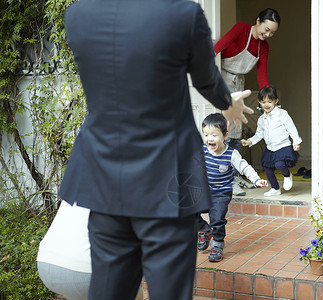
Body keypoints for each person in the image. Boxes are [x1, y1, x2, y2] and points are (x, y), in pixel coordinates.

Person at [60, 1, 253, 299]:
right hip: (167, 181)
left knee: (108, 291)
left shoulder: (77, 15)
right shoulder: (183, 14)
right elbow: (206, 79)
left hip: (104, 179)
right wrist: (229, 102)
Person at [214, 8, 281, 196]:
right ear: (258, 20)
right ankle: (227, 179)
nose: (267, 34)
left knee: (236, 131)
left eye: (272, 32)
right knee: (225, 129)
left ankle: (235, 175)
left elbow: (262, 76)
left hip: (239, 84)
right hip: (223, 79)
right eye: (265, 29)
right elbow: (218, 47)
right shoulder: (242, 29)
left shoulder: (264, 47)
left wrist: (268, 101)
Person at [37, 201, 144, 300]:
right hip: (83, 271)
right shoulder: (124, 190)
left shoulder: (79, 183)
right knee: (136, 294)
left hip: (45, 262)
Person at [197, 113, 268, 262]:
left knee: (217, 219)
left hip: (221, 193)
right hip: (204, 191)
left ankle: (217, 244)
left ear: (225, 135)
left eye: (214, 135)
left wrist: (256, 180)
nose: (210, 139)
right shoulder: (202, 150)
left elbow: (245, 168)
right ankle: (204, 229)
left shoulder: (231, 154)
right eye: (206, 134)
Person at [241, 85, 301, 196]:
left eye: (270, 101)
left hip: (283, 145)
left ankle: (287, 175)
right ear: (259, 102)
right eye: (264, 102)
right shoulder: (261, 119)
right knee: (268, 169)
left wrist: (296, 142)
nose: (267, 105)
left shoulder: (282, 114)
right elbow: (259, 134)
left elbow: (291, 128)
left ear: (276, 101)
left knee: (279, 164)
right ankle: (275, 188)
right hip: (270, 148)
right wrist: (249, 141)